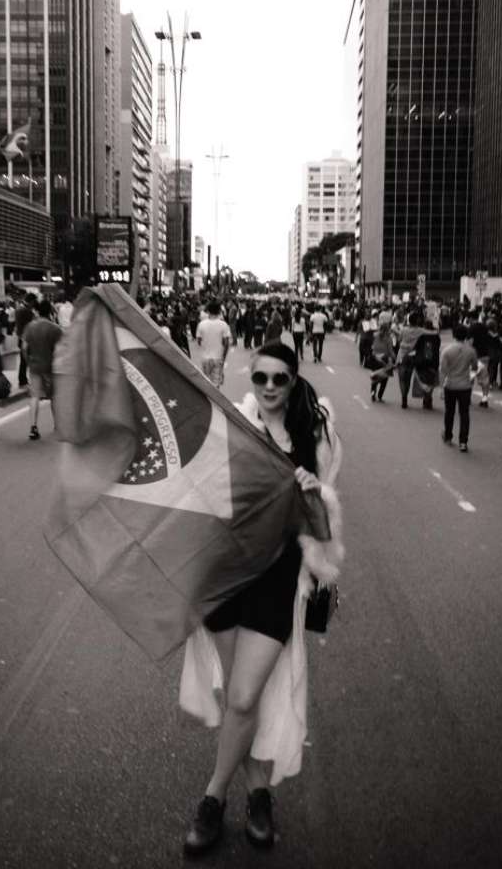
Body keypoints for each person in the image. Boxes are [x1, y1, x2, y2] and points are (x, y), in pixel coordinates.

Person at [179, 342, 343, 855]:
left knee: (245, 697)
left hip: (278, 579)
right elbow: (202, 494)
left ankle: (212, 797)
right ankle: (258, 794)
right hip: (226, 575)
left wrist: (314, 492)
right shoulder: (231, 427)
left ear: (294, 381)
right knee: (234, 696)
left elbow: (322, 521)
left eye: (280, 379)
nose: (269, 388)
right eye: (261, 379)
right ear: (250, 380)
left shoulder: (314, 437)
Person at [22, 299, 62, 440]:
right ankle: (58, 425)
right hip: (51, 366)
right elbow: (61, 349)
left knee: (35, 396)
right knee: (54, 397)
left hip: (34, 365)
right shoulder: (55, 328)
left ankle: (33, 427)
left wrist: (29, 361)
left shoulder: (30, 327)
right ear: (50, 312)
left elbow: (24, 348)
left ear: (38, 311)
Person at [439, 324, 478, 452]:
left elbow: (442, 371)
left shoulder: (447, 350)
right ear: (466, 336)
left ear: (453, 335)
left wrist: (440, 388)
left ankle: (448, 436)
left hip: (450, 385)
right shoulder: (471, 351)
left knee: (449, 412)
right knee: (464, 413)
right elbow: (475, 367)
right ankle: (463, 442)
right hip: (465, 386)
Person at [195, 300, 232, 389]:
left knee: (206, 384)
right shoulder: (223, 325)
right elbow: (226, 343)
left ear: (208, 311)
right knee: (216, 385)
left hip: (205, 358)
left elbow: (199, 341)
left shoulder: (201, 324)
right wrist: (223, 357)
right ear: (219, 311)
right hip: (218, 358)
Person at [14, 293, 37, 387]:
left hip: (20, 337)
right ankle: (23, 380)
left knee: (23, 360)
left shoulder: (19, 308)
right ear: (31, 301)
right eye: (34, 302)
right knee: (27, 360)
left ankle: (23, 379)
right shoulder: (27, 311)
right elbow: (32, 325)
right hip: (27, 338)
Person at [369, 322, 395, 402]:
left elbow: (371, 346)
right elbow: (390, 351)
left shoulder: (374, 335)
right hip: (384, 359)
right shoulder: (389, 338)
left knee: (375, 377)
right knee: (384, 378)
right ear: (387, 329)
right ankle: (380, 395)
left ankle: (373, 393)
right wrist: (395, 358)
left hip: (374, 358)